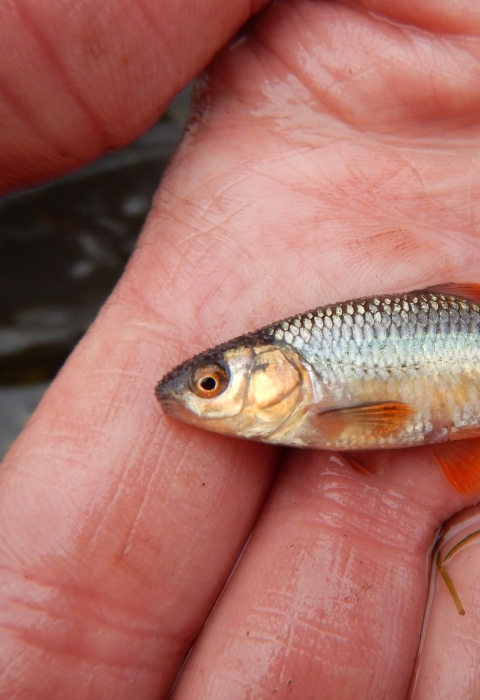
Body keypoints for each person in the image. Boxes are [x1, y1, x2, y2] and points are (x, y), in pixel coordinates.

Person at [1, 0, 480, 697]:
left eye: (209, 384)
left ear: (273, 372)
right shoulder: (315, 384)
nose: (195, 394)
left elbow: (371, 424)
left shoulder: (317, 384)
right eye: (209, 382)